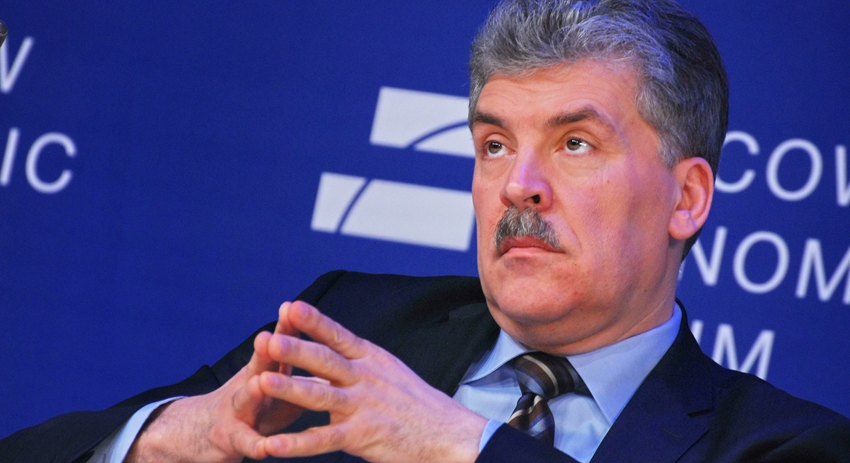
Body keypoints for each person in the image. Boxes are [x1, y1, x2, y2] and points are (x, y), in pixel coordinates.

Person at [2, 0, 849, 462]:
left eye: (574, 143)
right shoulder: (352, 325)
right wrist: (170, 438)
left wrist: (458, 442)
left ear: (687, 198)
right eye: (494, 144)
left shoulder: (783, 443)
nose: (517, 184)